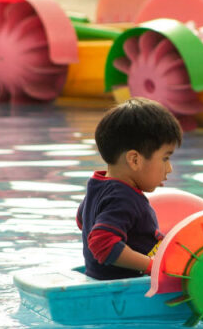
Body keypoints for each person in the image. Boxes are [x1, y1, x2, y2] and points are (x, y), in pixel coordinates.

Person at [76, 97, 183, 280]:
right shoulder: (124, 198)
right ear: (134, 160)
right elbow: (102, 244)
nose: (169, 168)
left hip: (99, 278)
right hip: (122, 288)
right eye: (165, 158)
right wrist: (153, 266)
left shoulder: (98, 185)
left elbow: (82, 221)